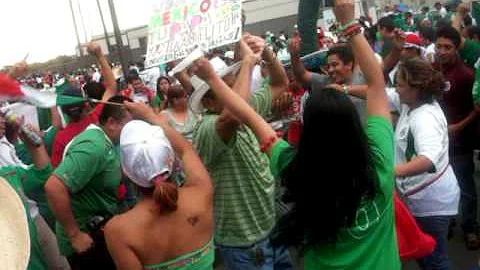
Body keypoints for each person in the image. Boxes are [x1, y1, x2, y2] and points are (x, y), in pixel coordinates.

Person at [188, 0, 401, 269]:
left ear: (308, 132)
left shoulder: (294, 167)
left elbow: (249, 116)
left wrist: (215, 79)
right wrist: (349, 24)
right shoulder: (380, 162)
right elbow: (376, 85)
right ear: (355, 126)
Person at [189, 36, 293, 269]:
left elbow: (279, 82)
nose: (232, 91)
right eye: (224, 87)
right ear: (207, 102)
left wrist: (266, 53)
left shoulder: (245, 107)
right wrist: (247, 62)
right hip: (246, 246)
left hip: (272, 227)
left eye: (232, 82)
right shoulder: (206, 128)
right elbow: (233, 116)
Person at [104, 105, 214, 270]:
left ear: (126, 173)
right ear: (173, 161)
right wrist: (151, 115)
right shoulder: (201, 192)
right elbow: (186, 150)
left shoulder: (118, 231)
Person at [45, 96, 133, 269]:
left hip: (99, 231)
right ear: (112, 122)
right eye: (129, 125)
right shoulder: (93, 146)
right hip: (86, 242)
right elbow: (54, 187)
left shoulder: (106, 142)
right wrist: (75, 235)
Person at [390, 58, 460, 269]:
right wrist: (345, 88)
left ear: (416, 88)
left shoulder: (424, 118)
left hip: (432, 204)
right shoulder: (412, 101)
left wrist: (388, 172)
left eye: (400, 85)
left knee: (434, 260)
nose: (396, 90)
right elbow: (377, 92)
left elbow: (427, 159)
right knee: (426, 256)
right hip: (424, 198)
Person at [435, 25, 479, 250]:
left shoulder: (467, 75)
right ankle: (448, 222)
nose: (442, 51)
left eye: (447, 47)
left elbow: (477, 109)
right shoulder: (433, 71)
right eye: (439, 46)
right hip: (436, 144)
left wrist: (457, 127)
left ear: (456, 48)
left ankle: (470, 227)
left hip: (460, 143)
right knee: (442, 187)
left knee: (465, 187)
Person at [51, 42, 117, 167]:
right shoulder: (97, 118)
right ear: (86, 105)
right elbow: (111, 88)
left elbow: (57, 172)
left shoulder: (60, 139)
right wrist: (99, 55)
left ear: (64, 112)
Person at [289, 38, 368, 123]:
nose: (330, 70)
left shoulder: (363, 76)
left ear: (349, 64)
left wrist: (344, 89)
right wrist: (294, 55)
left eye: (334, 65)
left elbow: (375, 92)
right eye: (328, 66)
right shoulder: (327, 82)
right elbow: (302, 75)